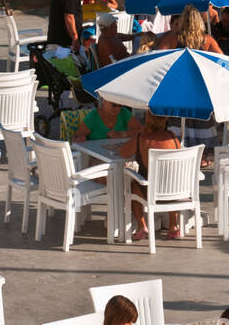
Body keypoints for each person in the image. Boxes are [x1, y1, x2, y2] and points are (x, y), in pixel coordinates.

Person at [124, 112, 181, 240]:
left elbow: (123, 152)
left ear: (147, 119)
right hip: (176, 191)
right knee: (171, 179)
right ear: (165, 119)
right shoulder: (172, 137)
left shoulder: (142, 138)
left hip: (152, 191)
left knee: (132, 185)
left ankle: (142, 226)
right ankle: (173, 226)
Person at [73, 96, 137, 145]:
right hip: (97, 155)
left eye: (120, 105)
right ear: (104, 100)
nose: (117, 108)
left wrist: (122, 134)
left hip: (118, 153)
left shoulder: (123, 112)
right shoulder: (93, 117)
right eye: (114, 105)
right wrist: (79, 139)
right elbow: (75, 137)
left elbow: (140, 130)